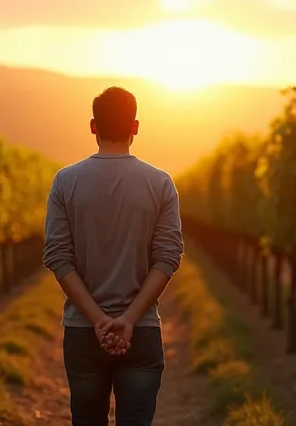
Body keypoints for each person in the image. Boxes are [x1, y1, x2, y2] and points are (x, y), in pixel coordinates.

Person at [42, 86, 184, 426]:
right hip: (141, 332)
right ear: (136, 127)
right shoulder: (161, 183)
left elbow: (57, 257)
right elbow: (168, 258)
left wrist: (98, 321)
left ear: (93, 126)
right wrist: (128, 321)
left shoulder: (65, 182)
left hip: (83, 333)